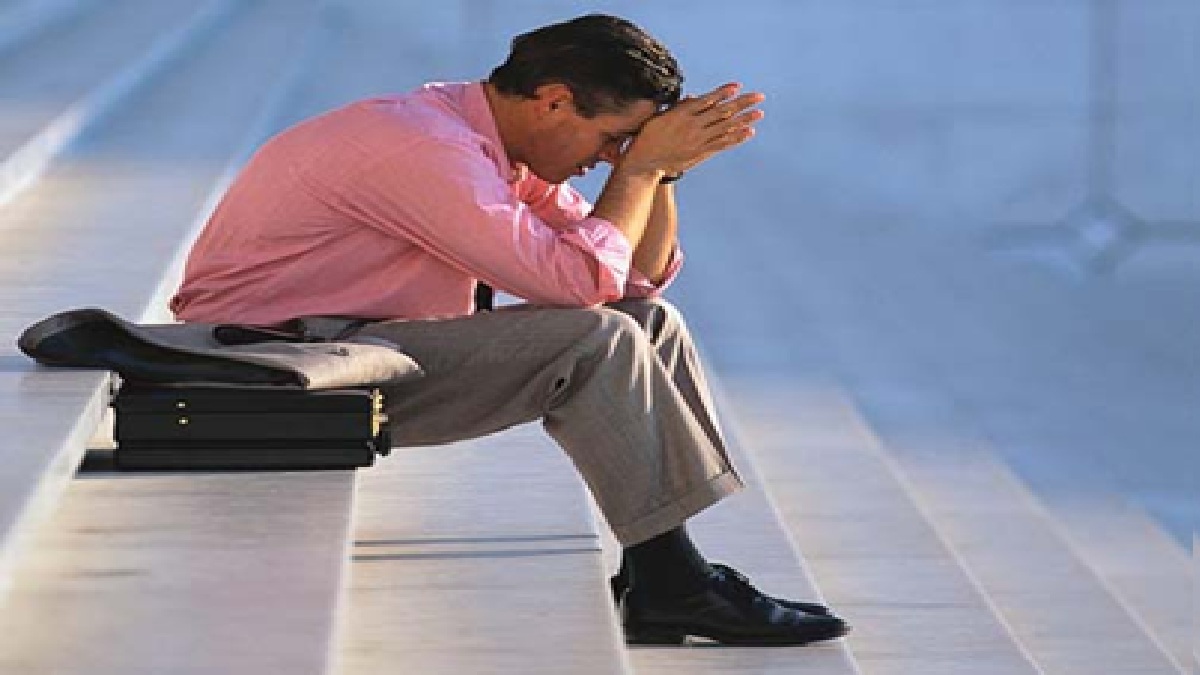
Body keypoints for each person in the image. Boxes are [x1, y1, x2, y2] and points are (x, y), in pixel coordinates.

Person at [170, 13, 848, 646]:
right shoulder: (427, 146)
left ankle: (663, 573)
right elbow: (578, 284)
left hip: (346, 347)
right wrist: (640, 169)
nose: (609, 159)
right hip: (275, 364)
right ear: (554, 101)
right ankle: (675, 583)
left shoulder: (491, 142)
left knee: (648, 322)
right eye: (612, 139)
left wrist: (659, 170)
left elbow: (634, 280)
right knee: (596, 339)